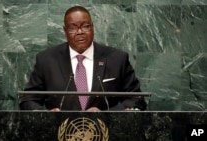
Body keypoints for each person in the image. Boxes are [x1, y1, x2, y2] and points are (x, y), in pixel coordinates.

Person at [19, 5, 147, 111]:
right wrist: (46, 115)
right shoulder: (46, 60)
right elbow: (28, 99)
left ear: (93, 27)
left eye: (85, 26)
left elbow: (137, 99)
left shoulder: (117, 59)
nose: (80, 32)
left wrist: (107, 114)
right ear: (65, 31)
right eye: (73, 28)